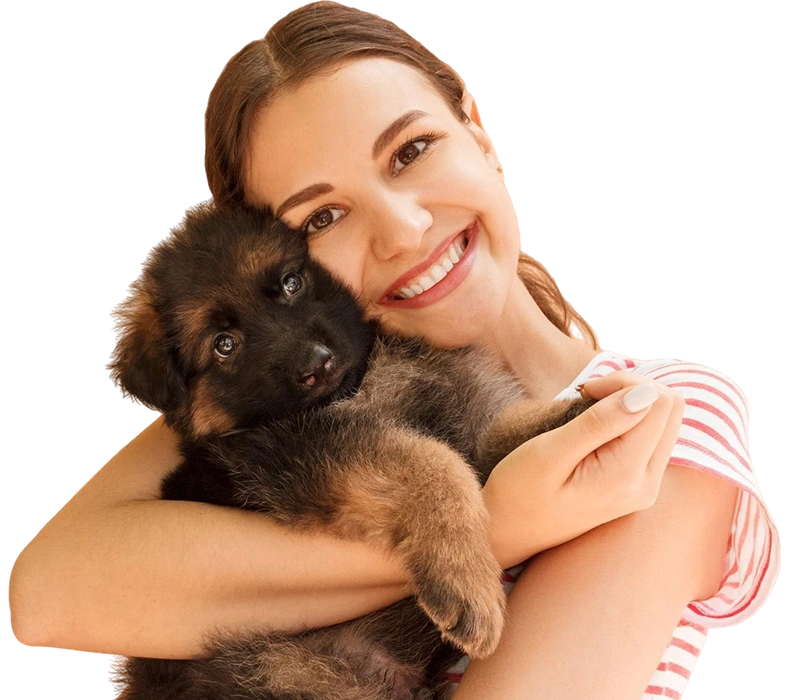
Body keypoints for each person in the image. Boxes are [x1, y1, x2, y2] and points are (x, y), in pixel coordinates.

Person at [9, 3, 779, 698]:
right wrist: (489, 525)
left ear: (477, 128)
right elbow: (40, 593)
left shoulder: (661, 428)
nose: (405, 229)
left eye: (411, 150)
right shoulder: (290, 397)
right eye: (321, 218)